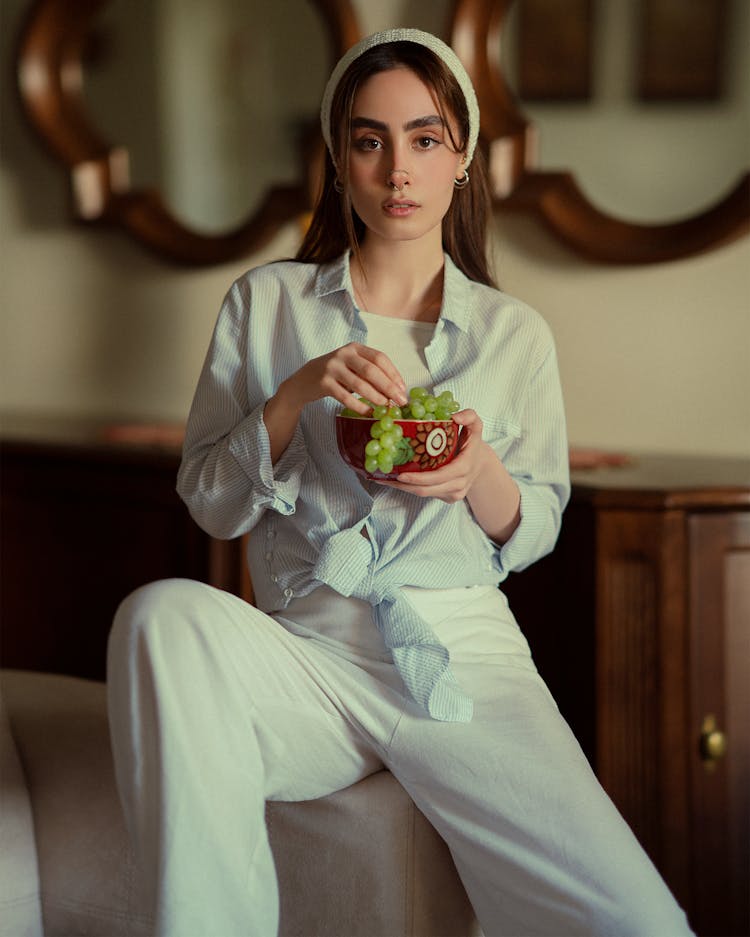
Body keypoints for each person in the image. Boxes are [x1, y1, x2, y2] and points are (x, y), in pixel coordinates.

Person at [107, 28, 694, 937]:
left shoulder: (513, 334)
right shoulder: (266, 304)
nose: (397, 169)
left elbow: (535, 523)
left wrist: (476, 470)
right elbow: (210, 503)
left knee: (638, 920)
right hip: (309, 650)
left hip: (460, 654)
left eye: (424, 139)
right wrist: (298, 392)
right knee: (160, 614)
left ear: (462, 158)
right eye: (370, 140)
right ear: (340, 162)